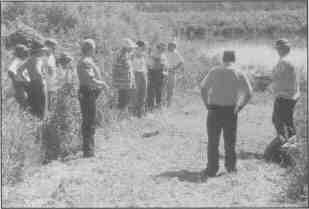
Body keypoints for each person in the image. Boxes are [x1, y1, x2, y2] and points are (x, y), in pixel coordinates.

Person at [200, 50, 253, 178]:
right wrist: (240, 106)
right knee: (230, 140)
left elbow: (203, 88)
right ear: (234, 59)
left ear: (223, 59)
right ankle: (231, 167)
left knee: (213, 140)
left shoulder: (214, 70)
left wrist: (206, 104)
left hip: (214, 109)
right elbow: (249, 92)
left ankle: (212, 169)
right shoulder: (239, 72)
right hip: (230, 110)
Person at [77, 39, 108, 158]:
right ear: (91, 49)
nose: (95, 50)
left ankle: (90, 149)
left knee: (89, 121)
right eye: (94, 48)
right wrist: (103, 84)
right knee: (89, 121)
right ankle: (88, 151)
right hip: (87, 92)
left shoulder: (87, 60)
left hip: (89, 92)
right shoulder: (85, 61)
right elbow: (90, 79)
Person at [271, 39, 300, 139]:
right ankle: (290, 143)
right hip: (293, 94)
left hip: (284, 96)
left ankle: (284, 142)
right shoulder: (293, 59)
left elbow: (275, 77)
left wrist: (263, 78)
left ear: (282, 49)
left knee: (278, 120)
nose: (277, 51)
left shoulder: (283, 61)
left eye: (278, 49)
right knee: (287, 120)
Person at [17, 43, 49, 119]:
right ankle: (41, 123)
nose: (44, 52)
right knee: (42, 105)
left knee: (34, 105)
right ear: (38, 51)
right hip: (39, 84)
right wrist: (42, 77)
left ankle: (34, 121)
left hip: (32, 83)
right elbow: (37, 71)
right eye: (43, 51)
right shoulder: (38, 59)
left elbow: (19, 70)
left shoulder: (29, 59)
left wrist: (26, 81)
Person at [112, 38, 137, 119]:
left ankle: (124, 117)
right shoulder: (120, 55)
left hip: (126, 83)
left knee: (126, 100)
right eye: (130, 47)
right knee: (122, 101)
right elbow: (117, 69)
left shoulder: (126, 55)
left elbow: (129, 69)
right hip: (122, 83)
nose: (132, 49)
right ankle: (120, 118)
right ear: (126, 47)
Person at [7, 44, 30, 109]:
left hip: (26, 83)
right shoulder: (17, 61)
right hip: (20, 84)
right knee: (23, 100)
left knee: (26, 100)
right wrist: (16, 81)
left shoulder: (25, 60)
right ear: (19, 53)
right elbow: (10, 72)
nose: (26, 52)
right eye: (24, 51)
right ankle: (22, 114)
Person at [147, 43, 168, 111]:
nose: (163, 50)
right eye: (162, 48)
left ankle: (159, 106)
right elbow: (149, 65)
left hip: (160, 73)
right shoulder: (153, 54)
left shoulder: (163, 55)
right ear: (158, 48)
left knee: (159, 91)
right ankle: (150, 107)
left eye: (164, 49)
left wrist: (164, 72)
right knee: (151, 91)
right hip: (153, 73)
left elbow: (165, 66)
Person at [166, 41, 184, 107]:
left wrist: (175, 69)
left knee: (170, 89)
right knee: (163, 88)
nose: (173, 48)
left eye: (174, 47)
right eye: (171, 46)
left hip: (171, 72)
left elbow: (181, 62)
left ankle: (169, 104)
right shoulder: (165, 52)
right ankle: (162, 103)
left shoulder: (176, 53)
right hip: (164, 72)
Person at [132, 40, 148, 117]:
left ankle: (141, 112)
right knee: (136, 93)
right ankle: (134, 112)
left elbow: (144, 65)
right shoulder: (132, 54)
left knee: (143, 93)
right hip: (135, 74)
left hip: (143, 74)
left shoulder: (143, 54)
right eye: (144, 46)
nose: (145, 47)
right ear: (139, 46)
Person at [44, 38, 58, 111]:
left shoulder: (52, 56)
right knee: (45, 102)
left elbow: (52, 69)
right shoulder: (42, 56)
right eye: (53, 47)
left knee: (51, 102)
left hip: (51, 82)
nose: (54, 49)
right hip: (45, 83)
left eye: (55, 47)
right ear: (47, 46)